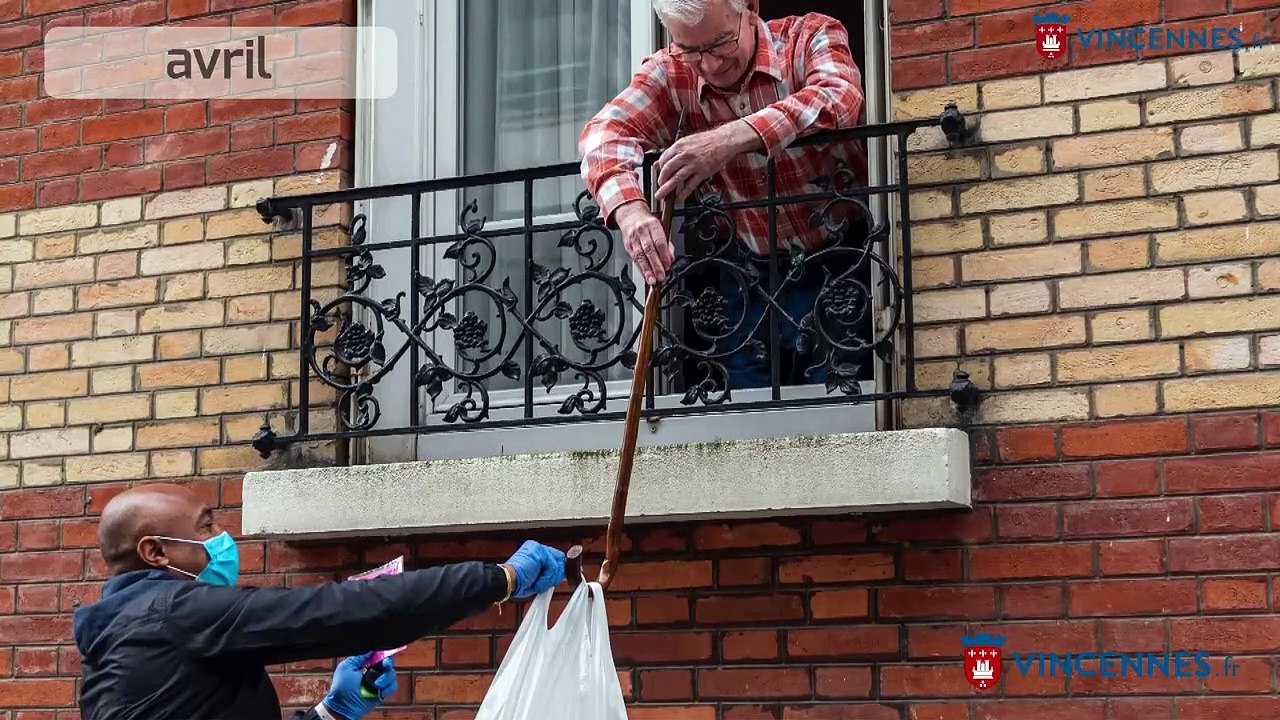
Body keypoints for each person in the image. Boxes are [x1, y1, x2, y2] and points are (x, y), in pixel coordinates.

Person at [72, 483, 568, 720]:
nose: (223, 538)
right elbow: (344, 612)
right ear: (155, 552)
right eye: (206, 527)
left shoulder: (121, 638)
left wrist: (332, 712)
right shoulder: (174, 613)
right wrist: (497, 579)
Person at [579, 0, 868, 390]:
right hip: (747, 271)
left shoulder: (808, 35)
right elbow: (602, 136)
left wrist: (729, 138)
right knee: (745, 423)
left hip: (841, 257)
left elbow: (840, 96)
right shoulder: (668, 70)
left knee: (840, 407)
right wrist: (631, 212)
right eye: (692, 51)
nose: (711, 64)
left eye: (720, 43)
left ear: (749, 9)